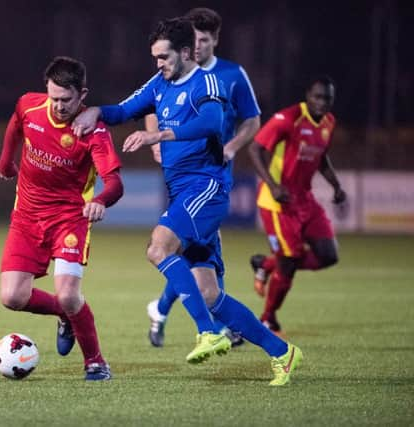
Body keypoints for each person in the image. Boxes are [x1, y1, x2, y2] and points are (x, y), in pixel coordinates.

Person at [73, 18, 302, 386]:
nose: (158, 64)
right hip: (183, 193)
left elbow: (211, 122)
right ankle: (282, 352)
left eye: (164, 57)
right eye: (155, 58)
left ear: (184, 52)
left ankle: (207, 333)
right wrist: (97, 111)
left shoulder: (206, 83)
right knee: (210, 293)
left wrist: (159, 135)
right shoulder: (159, 83)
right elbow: (124, 109)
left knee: (158, 247)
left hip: (206, 188)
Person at [0, 56, 123, 381]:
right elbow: (15, 124)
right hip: (26, 215)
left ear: (83, 94)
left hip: (69, 219)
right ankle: (66, 315)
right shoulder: (29, 106)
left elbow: (115, 184)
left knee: (68, 293)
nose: (59, 107)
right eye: (53, 98)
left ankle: (95, 362)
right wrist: (6, 160)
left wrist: (101, 201)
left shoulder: (94, 132)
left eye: (66, 100)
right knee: (12, 297)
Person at [144, 7, 261, 349]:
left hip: (214, 169)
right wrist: (155, 137)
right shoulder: (173, 73)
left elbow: (252, 120)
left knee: (188, 245)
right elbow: (151, 104)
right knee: (191, 244)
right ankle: (215, 321)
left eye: (203, 40)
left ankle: (166, 309)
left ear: (215, 40)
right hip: (186, 171)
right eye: (192, 39)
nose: (196, 46)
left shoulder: (232, 74)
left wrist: (232, 147)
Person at [248, 75, 346, 337]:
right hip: (277, 202)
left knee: (328, 255)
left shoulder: (328, 123)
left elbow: (322, 157)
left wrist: (336, 185)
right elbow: (255, 149)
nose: (322, 102)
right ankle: (267, 320)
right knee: (289, 261)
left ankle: (266, 265)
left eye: (328, 98)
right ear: (307, 96)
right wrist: (272, 184)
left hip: (305, 199)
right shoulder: (288, 118)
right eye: (318, 97)